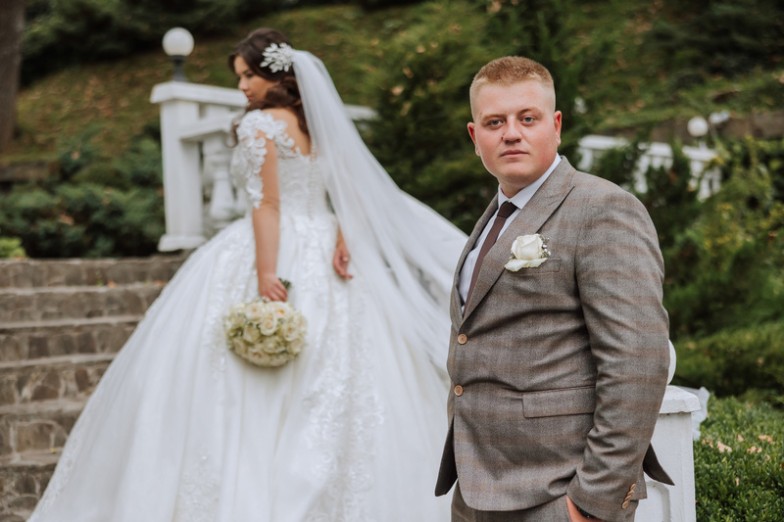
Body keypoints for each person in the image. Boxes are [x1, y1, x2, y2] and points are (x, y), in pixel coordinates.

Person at [29, 28, 466, 521]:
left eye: (247, 75)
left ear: (274, 74)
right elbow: (348, 188)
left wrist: (265, 273)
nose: (242, 86)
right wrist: (345, 233)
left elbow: (268, 206)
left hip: (272, 247)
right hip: (326, 245)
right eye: (239, 77)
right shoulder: (317, 125)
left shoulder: (259, 125)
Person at [434, 56, 673, 522]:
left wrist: (592, 502)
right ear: (474, 136)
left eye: (528, 118)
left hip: (558, 494)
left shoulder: (602, 209)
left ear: (556, 125)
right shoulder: (494, 220)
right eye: (494, 122)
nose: (510, 133)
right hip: (478, 488)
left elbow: (638, 363)